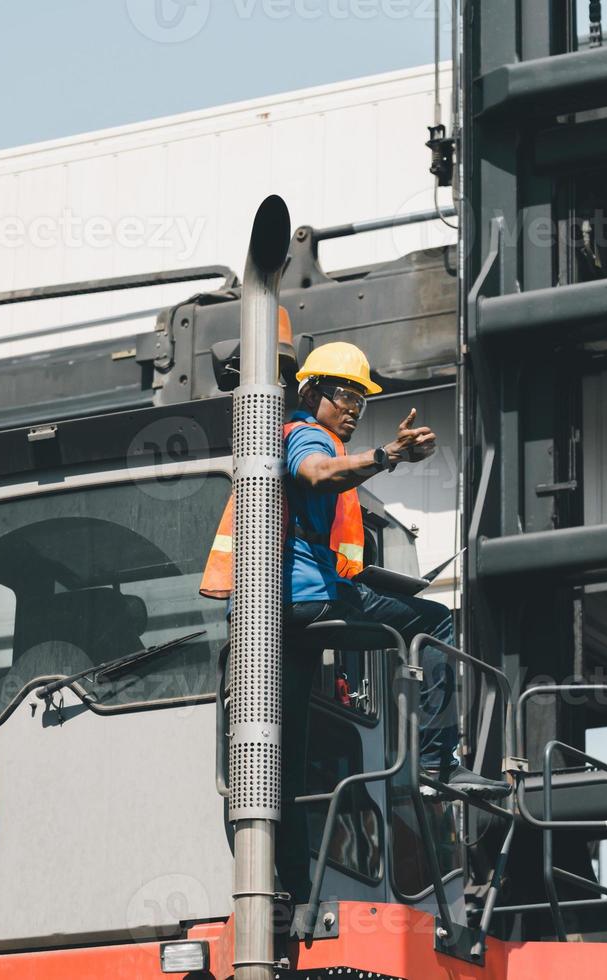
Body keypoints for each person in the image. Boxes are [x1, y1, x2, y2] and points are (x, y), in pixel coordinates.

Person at [199, 339, 507, 904]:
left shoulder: (287, 437)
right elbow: (318, 474)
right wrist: (386, 455)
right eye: (344, 396)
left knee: (283, 760)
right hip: (307, 599)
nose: (352, 410)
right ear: (311, 391)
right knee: (436, 622)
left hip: (271, 614)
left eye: (361, 404)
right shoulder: (304, 435)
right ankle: (440, 762)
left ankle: (288, 887)